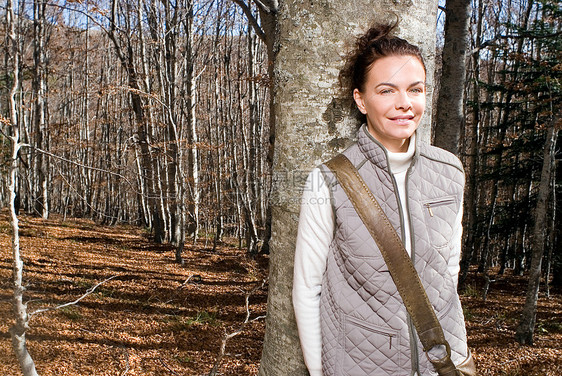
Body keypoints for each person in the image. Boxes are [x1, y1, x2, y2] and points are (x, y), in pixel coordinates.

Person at [292, 22, 470, 376]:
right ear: (360, 99)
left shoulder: (449, 171)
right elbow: (306, 291)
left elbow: (449, 269)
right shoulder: (327, 180)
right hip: (360, 364)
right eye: (387, 91)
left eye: (415, 90)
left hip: (444, 360)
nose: (404, 104)